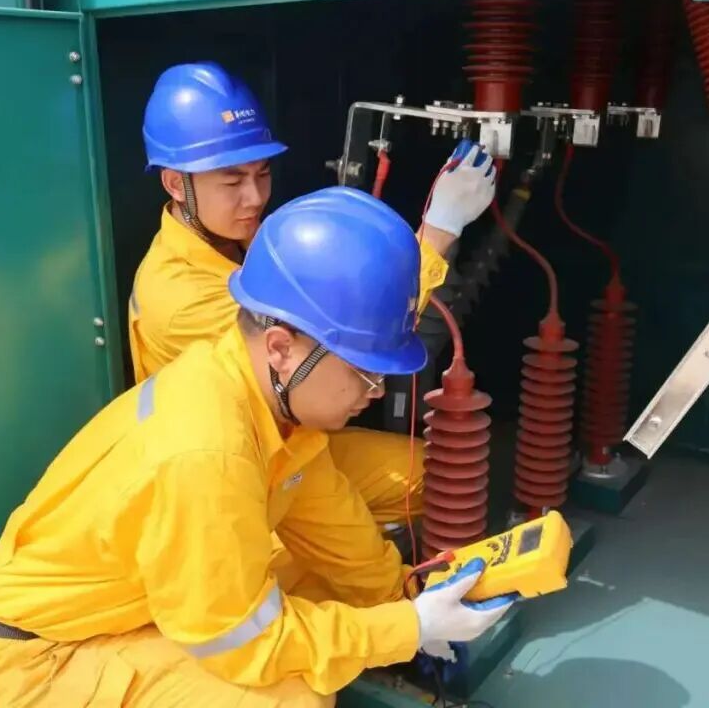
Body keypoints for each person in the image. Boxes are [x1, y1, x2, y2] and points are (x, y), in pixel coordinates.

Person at [0, 187, 517, 707]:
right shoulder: (208, 450)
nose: (374, 393)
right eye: (363, 374)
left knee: (324, 594)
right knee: (291, 698)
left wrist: (406, 605)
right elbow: (246, 641)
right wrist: (408, 629)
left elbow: (340, 539)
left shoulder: (268, 405)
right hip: (38, 667)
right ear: (281, 348)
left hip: (119, 617)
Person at [128, 61, 496, 548]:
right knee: (319, 549)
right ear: (176, 184)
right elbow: (337, 330)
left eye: (262, 174)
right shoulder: (179, 295)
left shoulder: (236, 236)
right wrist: (438, 233)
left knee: (428, 475)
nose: (254, 197)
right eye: (232, 182)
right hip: (238, 469)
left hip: (289, 437)